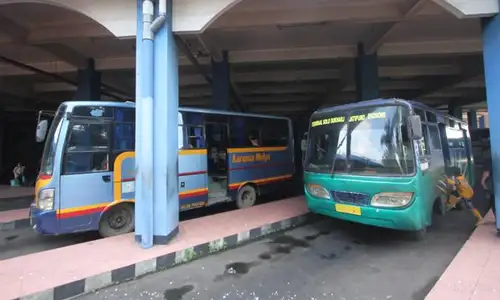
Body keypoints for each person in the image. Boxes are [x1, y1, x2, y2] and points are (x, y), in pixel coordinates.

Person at [480, 158, 497, 225]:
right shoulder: (491, 161)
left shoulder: (490, 160)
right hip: (492, 188)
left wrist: (485, 188)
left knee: (492, 204)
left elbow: (484, 178)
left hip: (492, 189)